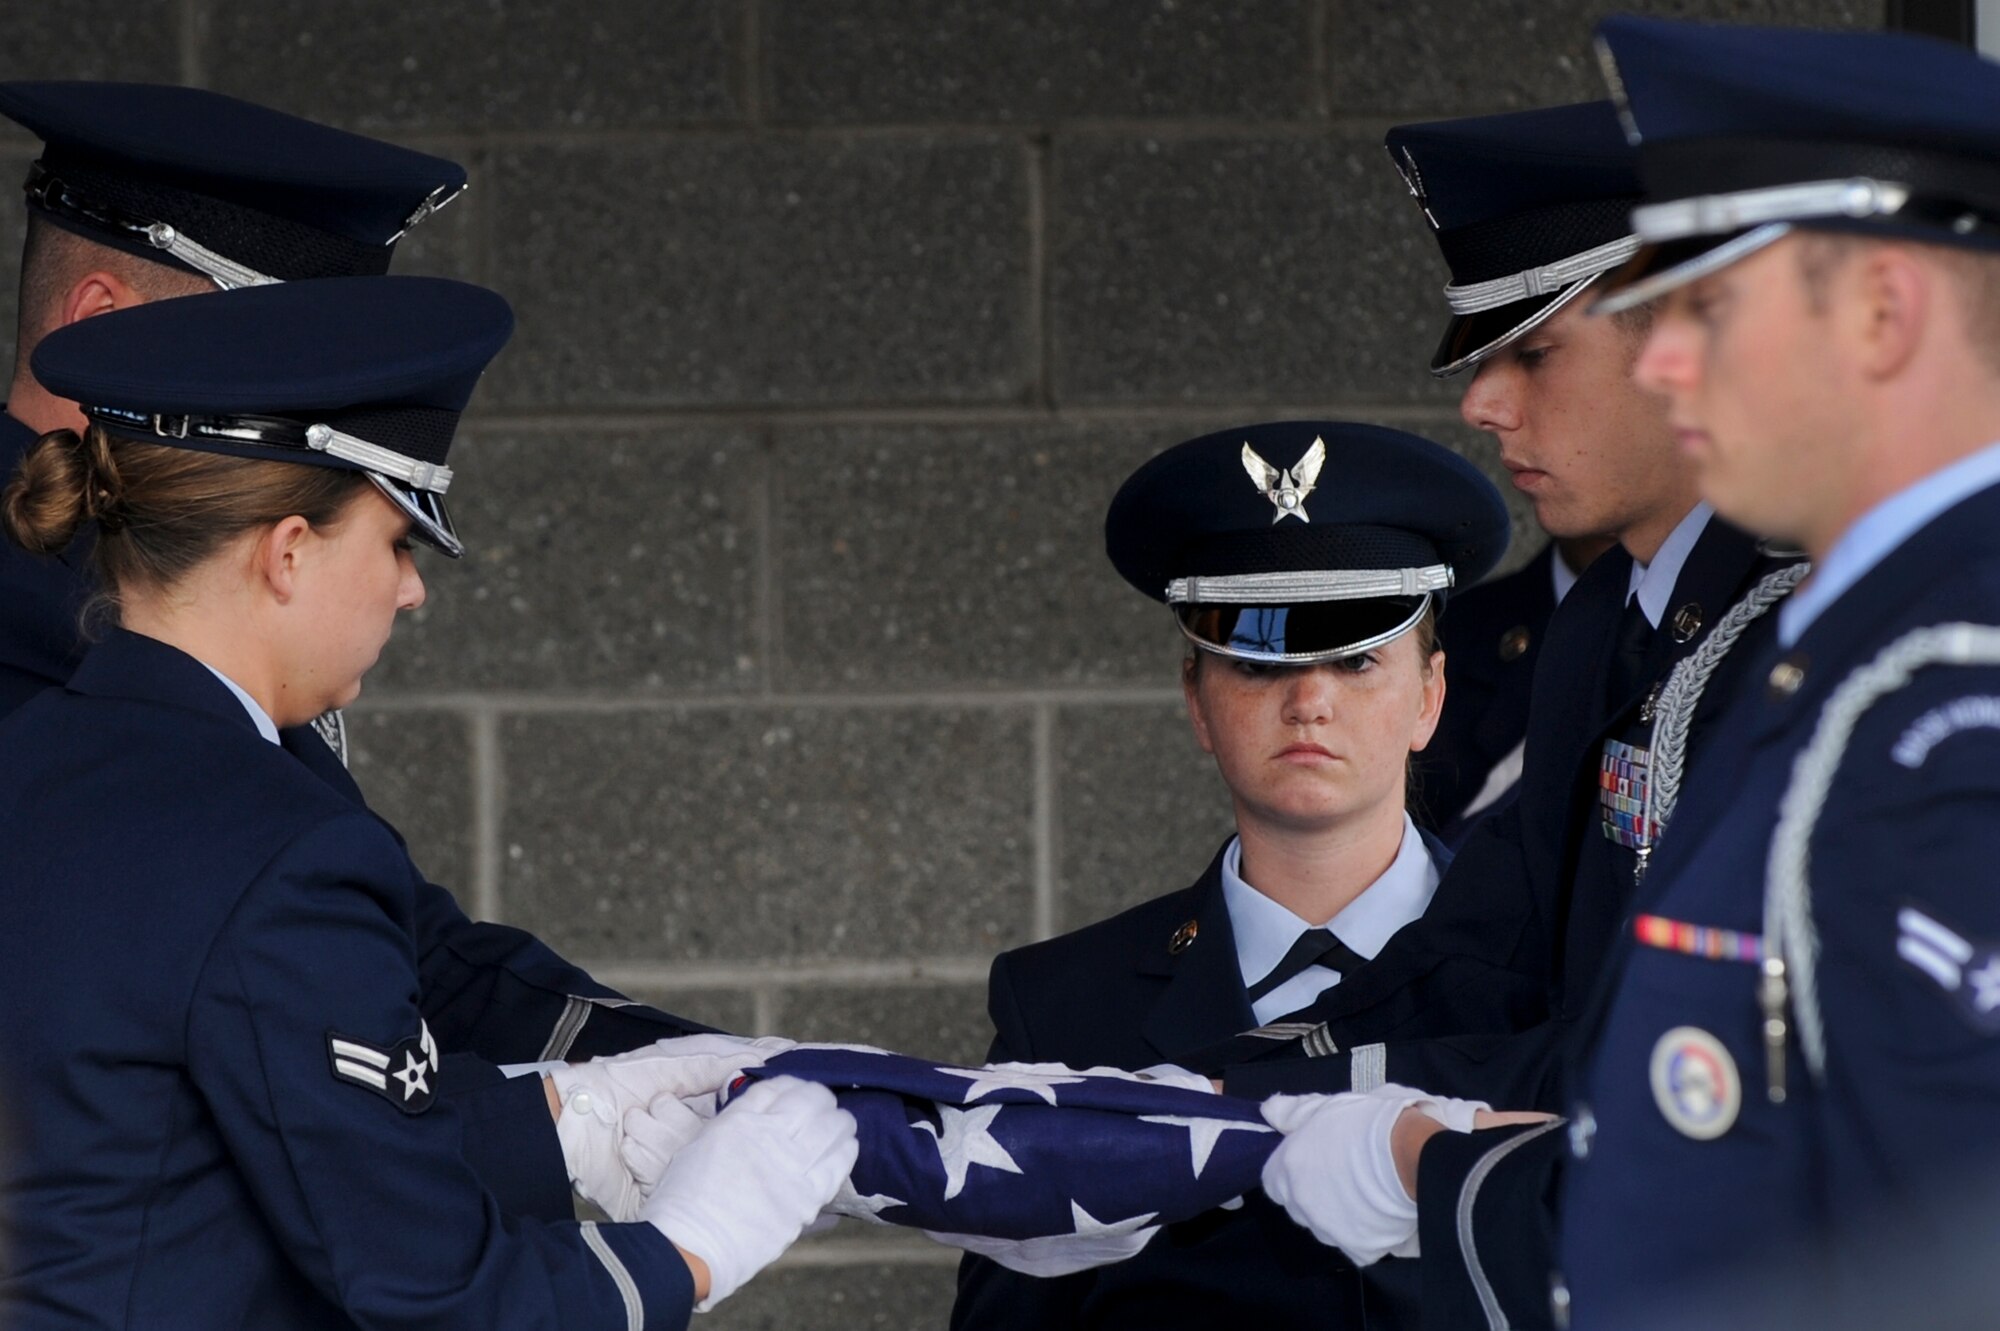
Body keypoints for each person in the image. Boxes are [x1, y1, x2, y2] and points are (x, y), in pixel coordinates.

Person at [1270, 17, 2000, 1329]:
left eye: (1705, 305)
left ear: (1887, 313)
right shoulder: (1850, 649)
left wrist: (1428, 1170)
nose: (1663, 361)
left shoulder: (1948, 688)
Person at [0, 275, 859, 1328]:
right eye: (397, 541)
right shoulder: (282, 848)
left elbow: (172, 1144)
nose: (412, 589)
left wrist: (546, 1112)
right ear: (287, 551)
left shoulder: (36, 756)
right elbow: (436, 1295)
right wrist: (686, 1250)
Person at [0, 81, 750, 1221]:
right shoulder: (98, 621)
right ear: (96, 324)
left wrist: (739, 1071)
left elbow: (393, 937)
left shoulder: (146, 587)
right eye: (270, 358)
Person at [1214, 100, 1802, 1113]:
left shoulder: (1802, 636)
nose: (1480, 405)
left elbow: (1684, 1049)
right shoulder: (1610, 613)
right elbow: (1485, 951)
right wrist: (1193, 1087)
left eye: (1531, 355)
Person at [951, 420, 1511, 1327]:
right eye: (1258, 661)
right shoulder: (1061, 1007)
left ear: (1431, 697)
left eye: (1359, 659)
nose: (1309, 699)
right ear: (1197, 703)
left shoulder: (1554, 973)